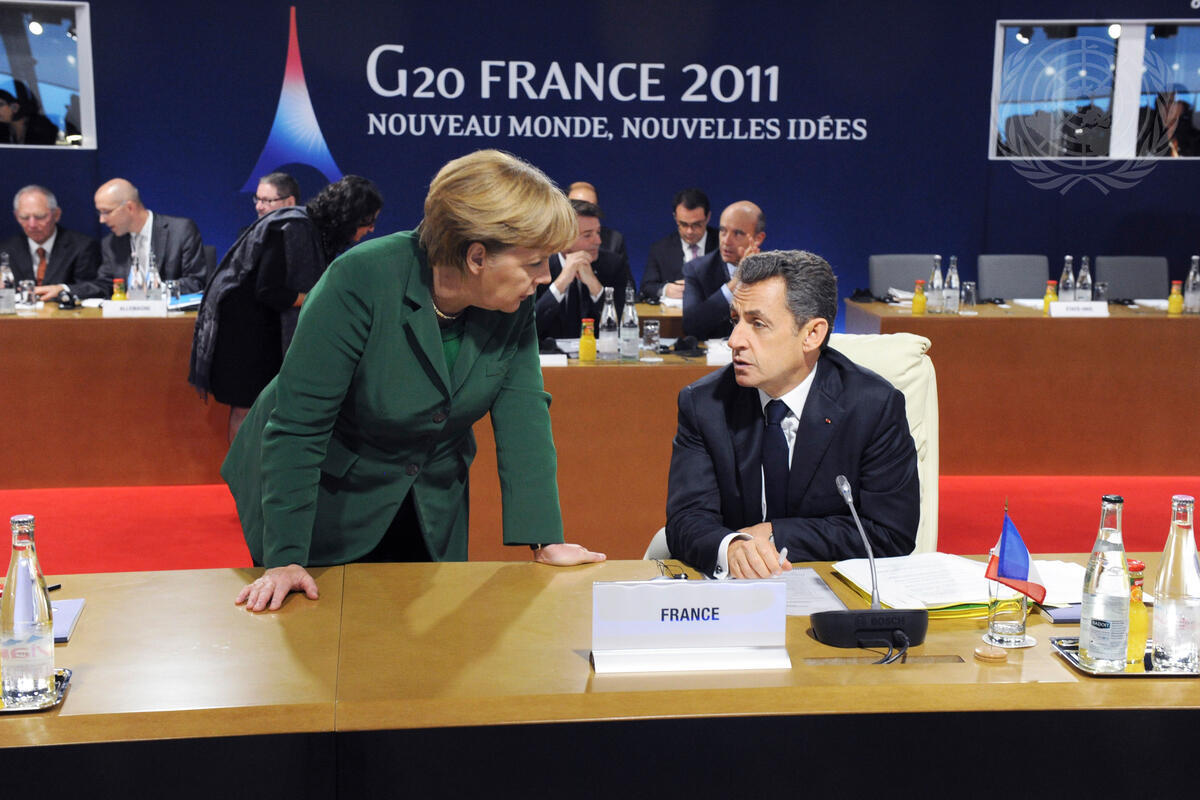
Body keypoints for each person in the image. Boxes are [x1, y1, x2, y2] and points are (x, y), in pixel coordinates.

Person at [224, 150, 607, 612]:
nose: (545, 278)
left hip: (428, 494)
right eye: (535, 263)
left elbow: (524, 414)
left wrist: (546, 539)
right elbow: (298, 427)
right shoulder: (359, 279)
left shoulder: (512, 303)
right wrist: (285, 558)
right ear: (477, 256)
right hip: (325, 493)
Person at [665, 250, 919, 579]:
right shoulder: (704, 404)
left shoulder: (873, 407)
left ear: (812, 334)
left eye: (758, 324)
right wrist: (732, 547)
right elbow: (686, 520)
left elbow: (890, 533)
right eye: (735, 320)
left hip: (833, 587)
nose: (734, 340)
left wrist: (776, 534)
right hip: (736, 591)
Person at [190, 175, 383, 443]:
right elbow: (269, 291)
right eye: (369, 220)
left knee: (267, 410)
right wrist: (320, 297)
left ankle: (263, 470)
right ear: (349, 216)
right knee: (247, 409)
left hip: (269, 330)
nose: (372, 229)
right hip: (247, 334)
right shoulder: (295, 228)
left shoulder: (314, 231)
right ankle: (243, 471)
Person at [78, 178, 208, 299]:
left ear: (129, 208)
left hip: (170, 313)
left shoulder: (180, 231)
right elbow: (105, 285)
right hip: (126, 314)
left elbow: (196, 282)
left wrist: (156, 289)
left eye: (106, 212)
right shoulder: (111, 243)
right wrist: (68, 290)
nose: (101, 220)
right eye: (99, 213)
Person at [535, 198, 635, 339]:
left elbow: (623, 323)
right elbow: (529, 325)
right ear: (564, 238)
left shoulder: (613, 265)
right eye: (587, 235)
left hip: (598, 350)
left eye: (598, 232)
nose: (598, 241)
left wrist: (594, 285)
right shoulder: (538, 266)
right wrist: (561, 282)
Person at [0, 185, 100, 301]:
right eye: (25, 217)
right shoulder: (6, 250)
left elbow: (94, 288)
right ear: (16, 216)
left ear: (56, 214)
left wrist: (63, 289)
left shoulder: (82, 246)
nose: (32, 225)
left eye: (40, 217)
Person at [682, 201, 765, 340]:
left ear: (758, 239)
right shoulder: (697, 269)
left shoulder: (774, 272)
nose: (726, 241)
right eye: (723, 231)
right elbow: (691, 326)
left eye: (737, 233)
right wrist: (737, 281)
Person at [641, 188, 718, 301]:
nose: (689, 231)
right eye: (683, 224)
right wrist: (666, 289)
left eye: (696, 224)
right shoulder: (660, 249)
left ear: (708, 218)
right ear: (675, 218)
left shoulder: (724, 245)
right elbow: (646, 287)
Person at [567, 181, 626, 260]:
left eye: (591, 206)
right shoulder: (553, 244)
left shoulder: (614, 241)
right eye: (577, 205)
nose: (585, 210)